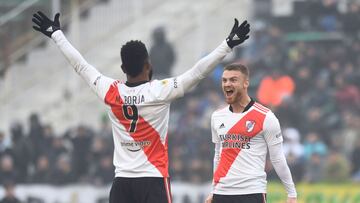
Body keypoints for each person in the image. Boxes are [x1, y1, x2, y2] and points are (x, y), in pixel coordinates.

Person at [32, 11, 250, 203]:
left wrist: (56, 34)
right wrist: (228, 44)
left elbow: (81, 65)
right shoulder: (160, 91)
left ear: (122, 67)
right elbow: (197, 72)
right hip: (153, 180)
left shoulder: (110, 91)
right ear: (148, 65)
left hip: (122, 184)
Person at [205, 64, 297, 203]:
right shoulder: (217, 116)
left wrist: (291, 193)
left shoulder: (266, 117)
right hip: (222, 193)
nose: (227, 84)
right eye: (224, 80)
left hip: (251, 192)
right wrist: (214, 189)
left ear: (245, 83)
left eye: (233, 80)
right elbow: (218, 155)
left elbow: (277, 158)